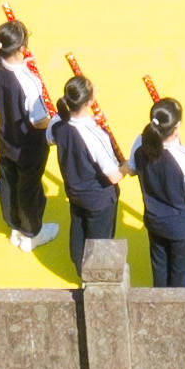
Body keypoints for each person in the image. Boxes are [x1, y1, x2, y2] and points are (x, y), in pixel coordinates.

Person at [0, 21, 57, 248]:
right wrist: (57, 123)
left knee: (8, 181)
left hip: (5, 136)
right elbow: (39, 122)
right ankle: (32, 232)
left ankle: (14, 225)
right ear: (20, 49)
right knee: (29, 187)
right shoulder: (29, 82)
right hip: (28, 145)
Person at [53, 75, 129, 280]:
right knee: (99, 241)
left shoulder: (58, 124)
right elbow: (113, 176)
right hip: (98, 198)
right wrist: (126, 167)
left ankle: (80, 270)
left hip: (75, 191)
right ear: (88, 102)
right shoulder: (94, 135)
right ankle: (96, 279)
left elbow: (50, 137)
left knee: (78, 229)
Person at [133, 95, 185, 288]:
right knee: (181, 277)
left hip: (154, 220)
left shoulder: (140, 144)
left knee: (160, 269)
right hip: (181, 226)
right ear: (177, 126)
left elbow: (131, 168)